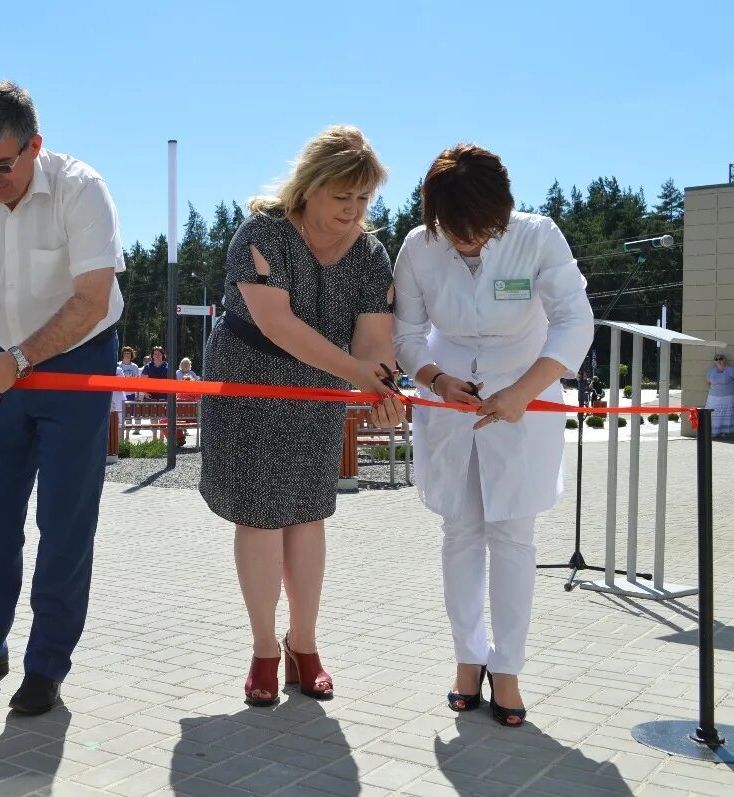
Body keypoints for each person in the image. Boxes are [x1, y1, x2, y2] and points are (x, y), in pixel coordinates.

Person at [0, 80, 124, 715]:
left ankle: (46, 666)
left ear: (35, 145)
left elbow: (92, 298)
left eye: (2, 165)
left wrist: (18, 360)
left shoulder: (81, 187)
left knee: (64, 523)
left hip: (78, 362)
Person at [198, 124, 403, 707]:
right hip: (248, 388)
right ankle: (265, 648)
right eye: (343, 196)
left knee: (309, 514)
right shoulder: (261, 231)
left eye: (364, 199)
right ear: (310, 187)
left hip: (318, 392)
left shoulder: (370, 253)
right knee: (260, 518)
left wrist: (380, 383)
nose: (354, 210)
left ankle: (304, 645)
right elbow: (276, 324)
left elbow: (375, 338)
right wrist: (359, 374)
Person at [393, 144, 594, 727]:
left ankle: (507, 667)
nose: (468, 242)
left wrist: (524, 391)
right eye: (456, 231)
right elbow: (407, 333)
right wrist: (434, 377)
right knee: (461, 532)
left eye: (480, 230)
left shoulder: (539, 236)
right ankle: (466, 660)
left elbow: (574, 320)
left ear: (502, 213)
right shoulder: (418, 246)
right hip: (449, 394)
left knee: (512, 536)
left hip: (525, 391)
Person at [707, 352, 734, 436]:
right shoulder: (711, 371)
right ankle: (714, 432)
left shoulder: (731, 370)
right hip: (713, 397)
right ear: (714, 361)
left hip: (728, 397)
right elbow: (708, 380)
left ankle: (726, 432)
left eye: (721, 358)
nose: (719, 360)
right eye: (716, 359)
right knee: (714, 414)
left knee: (727, 415)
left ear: (724, 360)